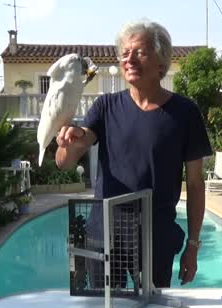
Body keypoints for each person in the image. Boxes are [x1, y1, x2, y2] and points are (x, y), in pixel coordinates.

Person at [56, 18, 212, 288]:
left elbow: (196, 185)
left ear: (161, 62)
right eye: (125, 53)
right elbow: (66, 161)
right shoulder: (105, 107)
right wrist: (68, 144)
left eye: (139, 52)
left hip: (156, 236)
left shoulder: (185, 113)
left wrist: (193, 246)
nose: (129, 59)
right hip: (104, 233)